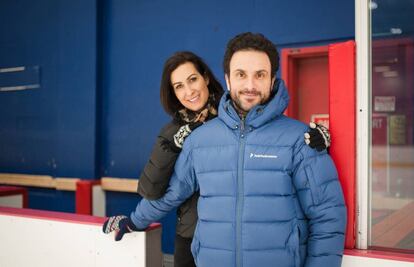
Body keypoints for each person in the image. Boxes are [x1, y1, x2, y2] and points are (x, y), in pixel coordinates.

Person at [103, 34, 340, 267]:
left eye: (260, 75)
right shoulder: (199, 140)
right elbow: (172, 192)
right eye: (241, 74)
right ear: (228, 79)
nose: (250, 85)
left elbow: (328, 216)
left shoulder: (299, 140)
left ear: (272, 79)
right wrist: (134, 220)